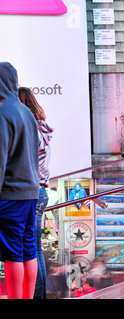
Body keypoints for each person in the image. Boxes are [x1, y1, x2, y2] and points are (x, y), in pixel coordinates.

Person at [0, 62, 40, 299]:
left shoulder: (4, 113)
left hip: (11, 193)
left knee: (12, 251)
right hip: (30, 193)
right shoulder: (26, 112)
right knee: (28, 247)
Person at [18, 86, 54, 299]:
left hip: (30, 191)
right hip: (41, 190)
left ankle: (35, 294)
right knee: (34, 247)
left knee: (29, 247)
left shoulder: (30, 130)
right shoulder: (43, 128)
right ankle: (36, 294)